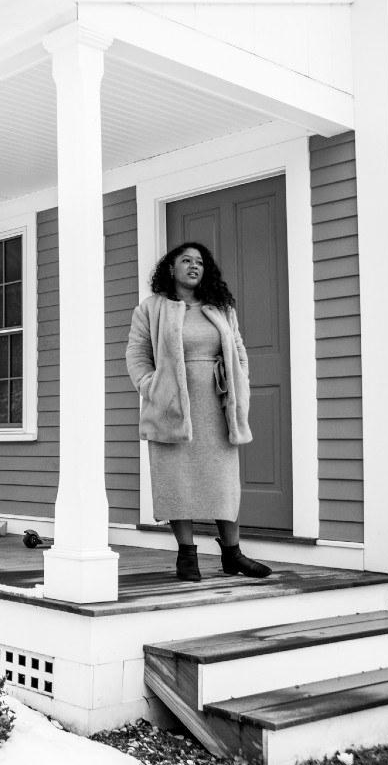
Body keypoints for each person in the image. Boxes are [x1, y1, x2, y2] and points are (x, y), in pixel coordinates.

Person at [125, 242, 271, 582]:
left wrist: (241, 380)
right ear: (170, 269)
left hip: (216, 406)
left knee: (223, 481)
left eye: (200, 262)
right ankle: (186, 554)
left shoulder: (221, 308)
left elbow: (237, 349)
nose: (194, 266)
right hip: (171, 406)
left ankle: (232, 554)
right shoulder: (150, 308)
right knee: (177, 479)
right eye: (186, 260)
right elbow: (136, 354)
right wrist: (152, 387)